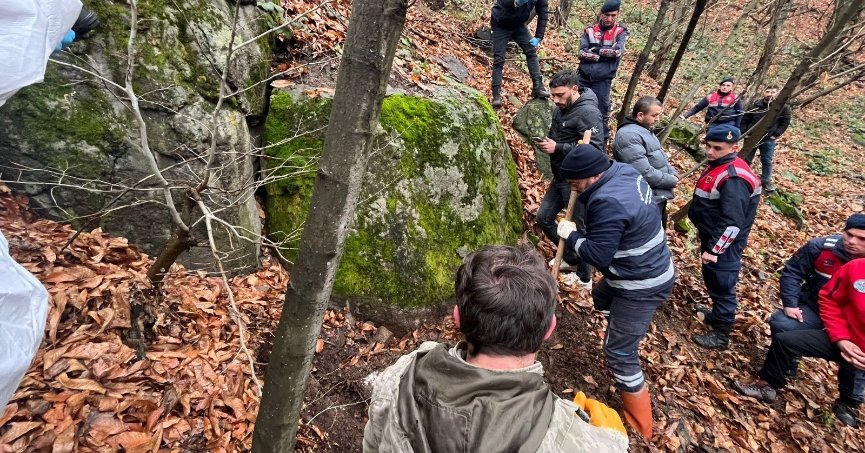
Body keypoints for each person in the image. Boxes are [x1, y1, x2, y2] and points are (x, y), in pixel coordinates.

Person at [362, 245, 629, 452]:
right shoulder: (573, 437)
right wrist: (612, 441)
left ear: (457, 318)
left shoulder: (399, 377)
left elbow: (373, 446)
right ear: (550, 328)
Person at [556, 144, 675, 438]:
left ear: (592, 176)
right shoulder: (622, 170)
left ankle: (640, 425)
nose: (574, 189)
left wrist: (571, 235)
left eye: (575, 183)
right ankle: (619, 328)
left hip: (641, 283)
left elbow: (598, 255)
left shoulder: (609, 202)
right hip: (636, 269)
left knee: (619, 352)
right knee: (600, 296)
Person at [732, 255, 865, 428]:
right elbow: (830, 299)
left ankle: (848, 404)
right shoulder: (856, 267)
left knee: (854, 375)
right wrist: (841, 338)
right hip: (844, 337)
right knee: (785, 340)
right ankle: (767, 386)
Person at [688, 124, 761, 349]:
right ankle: (716, 314)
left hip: (724, 244)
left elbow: (732, 222)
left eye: (717, 148)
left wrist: (714, 250)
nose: (710, 152)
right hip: (712, 236)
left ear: (734, 148)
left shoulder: (734, 177)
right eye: (708, 146)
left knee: (722, 284)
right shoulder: (720, 165)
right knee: (713, 279)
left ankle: (721, 333)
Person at [535, 69, 603, 286]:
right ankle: (571, 257)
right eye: (553, 95)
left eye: (560, 95)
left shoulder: (588, 113)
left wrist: (559, 147)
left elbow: (594, 148)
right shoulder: (561, 108)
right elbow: (559, 133)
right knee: (543, 218)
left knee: (579, 229)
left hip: (577, 182)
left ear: (575, 89)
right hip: (560, 175)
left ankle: (585, 278)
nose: (555, 100)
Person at [613, 96, 679, 226]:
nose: (658, 119)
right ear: (640, 115)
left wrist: (673, 173)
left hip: (657, 194)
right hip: (645, 197)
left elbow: (660, 159)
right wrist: (671, 180)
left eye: (659, 115)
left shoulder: (645, 131)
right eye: (654, 115)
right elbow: (643, 172)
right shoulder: (629, 135)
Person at [577, 0, 628, 143]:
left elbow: (617, 52)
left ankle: (601, 142)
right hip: (584, 76)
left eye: (613, 15)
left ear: (617, 14)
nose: (609, 19)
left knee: (601, 111)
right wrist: (603, 55)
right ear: (601, 13)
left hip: (603, 80)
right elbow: (581, 53)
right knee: (577, 105)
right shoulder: (590, 30)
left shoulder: (620, 31)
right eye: (606, 15)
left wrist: (595, 51)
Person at [489, 0, 550, 108]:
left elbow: (543, 13)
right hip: (501, 23)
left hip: (518, 25)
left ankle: (538, 87)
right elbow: (504, 3)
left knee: (531, 52)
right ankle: (496, 95)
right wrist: (516, 2)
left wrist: (538, 37)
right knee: (499, 59)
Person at [739, 85, 792, 192]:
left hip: (768, 138)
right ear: (764, 92)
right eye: (767, 92)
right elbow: (744, 119)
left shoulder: (783, 107)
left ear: (778, 93)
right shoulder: (755, 105)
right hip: (751, 137)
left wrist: (775, 134)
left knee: (766, 160)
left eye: (773, 92)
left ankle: (766, 181)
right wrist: (745, 133)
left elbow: (785, 122)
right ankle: (742, 178)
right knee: (746, 159)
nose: (769, 94)